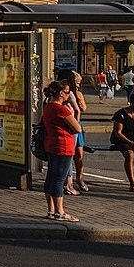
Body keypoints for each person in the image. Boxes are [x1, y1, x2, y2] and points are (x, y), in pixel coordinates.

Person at [39, 80, 81, 222]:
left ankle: (51, 210)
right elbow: (77, 128)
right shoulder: (61, 109)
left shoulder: (48, 107)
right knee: (59, 179)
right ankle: (60, 211)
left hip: (51, 143)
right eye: (68, 91)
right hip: (63, 145)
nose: (69, 94)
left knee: (51, 176)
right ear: (61, 93)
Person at [60, 69, 90, 194]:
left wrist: (76, 124)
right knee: (69, 155)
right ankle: (69, 183)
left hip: (72, 125)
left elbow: (80, 108)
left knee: (76, 154)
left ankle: (75, 181)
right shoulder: (65, 92)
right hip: (70, 125)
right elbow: (79, 109)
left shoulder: (71, 93)